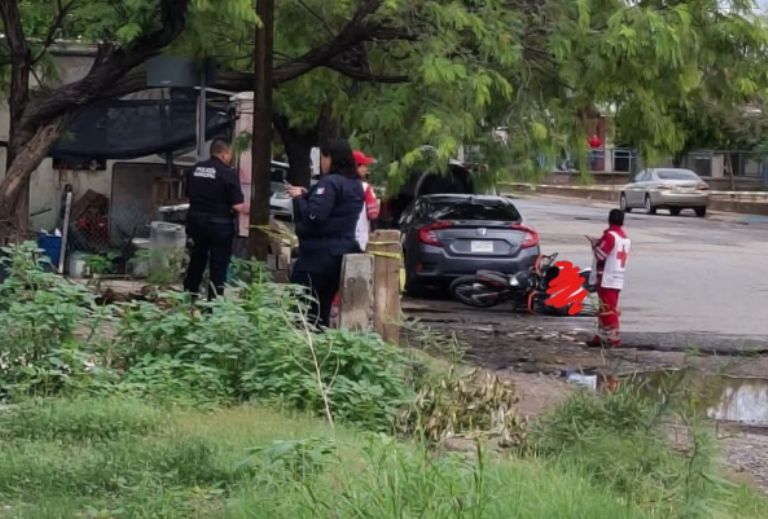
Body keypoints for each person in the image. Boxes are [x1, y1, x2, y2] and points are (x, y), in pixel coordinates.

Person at [287, 138, 364, 327]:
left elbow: (315, 216)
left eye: (323, 158)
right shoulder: (355, 184)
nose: (321, 163)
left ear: (330, 158)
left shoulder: (330, 183)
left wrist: (299, 199)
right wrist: (308, 196)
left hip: (317, 256)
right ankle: (320, 346)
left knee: (301, 307)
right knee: (323, 308)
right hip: (339, 253)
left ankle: (304, 347)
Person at [183, 138, 246, 300]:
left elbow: (189, 194)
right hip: (219, 227)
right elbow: (238, 206)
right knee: (218, 266)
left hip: (196, 223)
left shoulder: (194, 170)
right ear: (225, 154)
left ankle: (189, 297)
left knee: (197, 259)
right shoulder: (228, 173)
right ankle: (213, 303)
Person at [586, 209, 631, 348]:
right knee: (605, 308)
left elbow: (601, 255)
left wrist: (594, 244)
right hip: (617, 277)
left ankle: (614, 338)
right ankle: (600, 336)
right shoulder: (624, 238)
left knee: (608, 310)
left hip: (607, 277)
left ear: (609, 219)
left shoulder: (610, 236)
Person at [352, 149, 380, 251]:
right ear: (356, 166)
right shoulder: (365, 188)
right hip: (360, 240)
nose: (366, 168)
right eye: (364, 165)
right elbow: (373, 213)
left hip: (339, 241)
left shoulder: (337, 185)